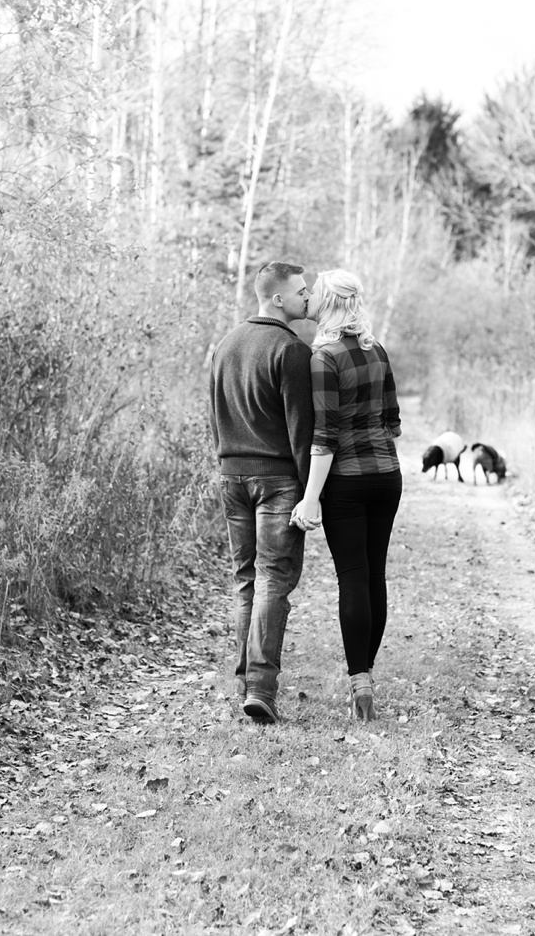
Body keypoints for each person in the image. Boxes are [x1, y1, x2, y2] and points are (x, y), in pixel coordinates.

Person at [290, 269, 402, 722]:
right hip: (387, 476)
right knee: (375, 575)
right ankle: (365, 678)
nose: (309, 296)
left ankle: (361, 683)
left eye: (314, 291)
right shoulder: (378, 351)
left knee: (352, 577)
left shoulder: (324, 358)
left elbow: (324, 436)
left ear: (330, 302)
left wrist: (310, 496)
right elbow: (393, 422)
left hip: (348, 483)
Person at [209, 260, 314, 725]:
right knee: (274, 579)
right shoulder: (291, 350)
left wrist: (226, 461)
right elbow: (301, 432)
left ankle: (246, 680)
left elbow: (213, 414)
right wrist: (314, 494)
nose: (308, 297)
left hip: (231, 475)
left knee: (246, 579)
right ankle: (262, 689)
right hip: (277, 481)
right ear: (277, 298)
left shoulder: (226, 343)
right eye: (301, 291)